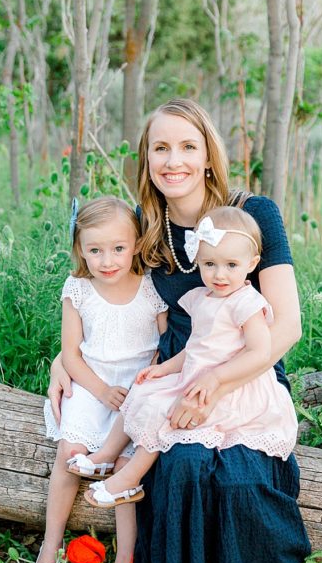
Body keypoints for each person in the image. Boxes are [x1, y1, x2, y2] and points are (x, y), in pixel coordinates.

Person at [47, 98, 322, 563]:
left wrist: (219, 384)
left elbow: (287, 327)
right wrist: (63, 362)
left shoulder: (254, 216)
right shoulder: (144, 233)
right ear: (146, 160)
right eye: (160, 148)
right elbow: (108, 306)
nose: (174, 161)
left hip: (244, 383)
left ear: (207, 155)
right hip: (176, 381)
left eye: (187, 147)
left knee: (245, 479)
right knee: (184, 472)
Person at [84, 206, 298, 512]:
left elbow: (260, 353)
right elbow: (195, 349)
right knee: (144, 390)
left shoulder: (246, 304)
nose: (219, 274)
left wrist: (218, 379)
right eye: (210, 264)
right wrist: (164, 369)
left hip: (233, 388)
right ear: (198, 261)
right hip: (197, 376)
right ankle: (106, 454)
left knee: (164, 413)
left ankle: (129, 478)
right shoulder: (203, 298)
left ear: (251, 264)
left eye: (231, 265)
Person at [31, 196, 167, 563]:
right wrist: (101, 388)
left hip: (138, 388)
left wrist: (147, 381)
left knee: (126, 472)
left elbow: (167, 346)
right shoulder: (79, 291)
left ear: (136, 244)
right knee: (68, 455)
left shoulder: (150, 289)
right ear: (80, 249)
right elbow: (70, 355)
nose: (107, 260)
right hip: (92, 385)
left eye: (118, 248)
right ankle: (50, 546)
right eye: (95, 250)